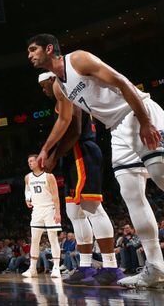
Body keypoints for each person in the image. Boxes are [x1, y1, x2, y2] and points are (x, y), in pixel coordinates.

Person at [27, 33, 164, 287]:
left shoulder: (78, 59)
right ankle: (156, 266)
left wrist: (145, 121)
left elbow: (123, 83)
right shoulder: (60, 85)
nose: (30, 55)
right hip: (116, 130)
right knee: (131, 194)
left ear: (49, 48)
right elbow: (64, 120)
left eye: (33, 49)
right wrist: (46, 150)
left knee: (161, 177)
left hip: (137, 113)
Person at [37, 71, 123, 286]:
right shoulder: (63, 98)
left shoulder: (67, 93)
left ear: (51, 80)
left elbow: (74, 131)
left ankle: (111, 267)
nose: (43, 90)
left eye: (44, 85)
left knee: (92, 208)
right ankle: (85, 267)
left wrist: (53, 155)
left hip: (82, 153)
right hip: (72, 156)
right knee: (74, 212)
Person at [23, 154, 62, 278]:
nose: (30, 163)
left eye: (32, 161)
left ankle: (56, 268)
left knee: (52, 238)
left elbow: (56, 196)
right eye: (28, 161)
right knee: (34, 239)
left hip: (49, 209)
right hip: (37, 210)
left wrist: (58, 212)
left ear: (39, 162)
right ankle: (32, 268)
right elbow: (27, 190)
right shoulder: (27, 177)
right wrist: (27, 199)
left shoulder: (49, 176)